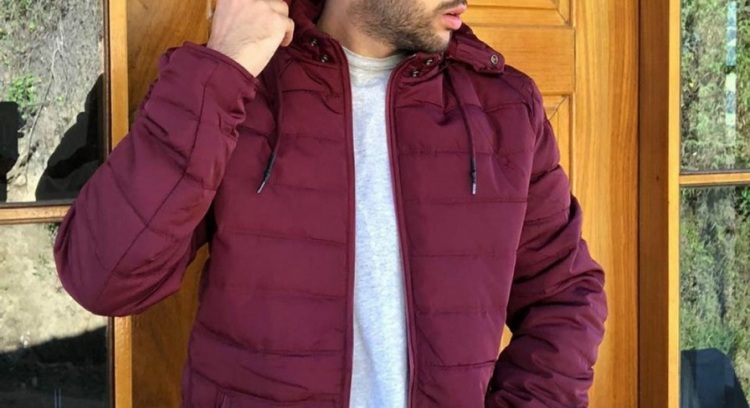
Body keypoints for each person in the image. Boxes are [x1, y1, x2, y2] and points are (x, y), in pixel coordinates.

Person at [54, 0, 608, 406]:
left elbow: (564, 297)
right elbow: (102, 278)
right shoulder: (237, 87)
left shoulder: (504, 107)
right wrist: (222, 65)